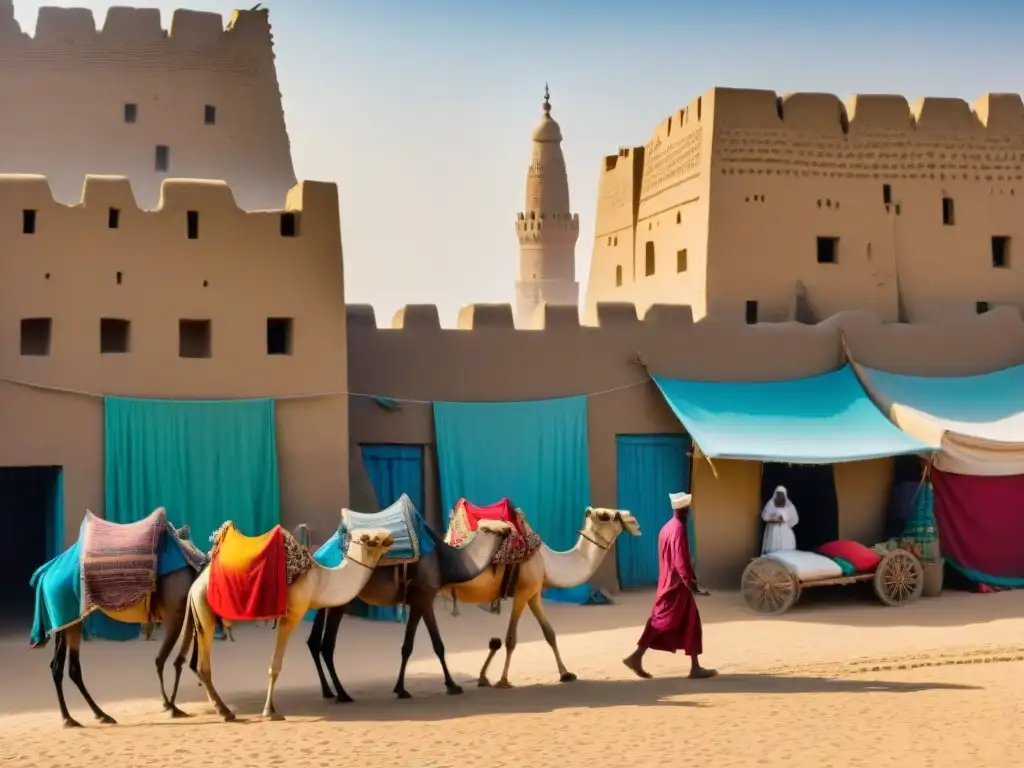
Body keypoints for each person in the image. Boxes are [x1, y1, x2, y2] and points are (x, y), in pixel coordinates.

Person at [623, 491, 717, 680]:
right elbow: (680, 559)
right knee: (660, 622)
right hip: (676, 587)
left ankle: (695, 666)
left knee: (690, 623)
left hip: (670, 584)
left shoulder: (666, 527)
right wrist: (690, 582)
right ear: (685, 509)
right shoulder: (679, 529)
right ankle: (636, 656)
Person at [761, 485, 799, 555]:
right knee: (772, 548)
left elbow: (794, 519)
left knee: (785, 550)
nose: (780, 495)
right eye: (778, 493)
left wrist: (784, 520)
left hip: (784, 531)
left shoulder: (789, 505)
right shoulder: (770, 503)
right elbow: (764, 516)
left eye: (782, 493)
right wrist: (772, 518)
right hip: (773, 531)